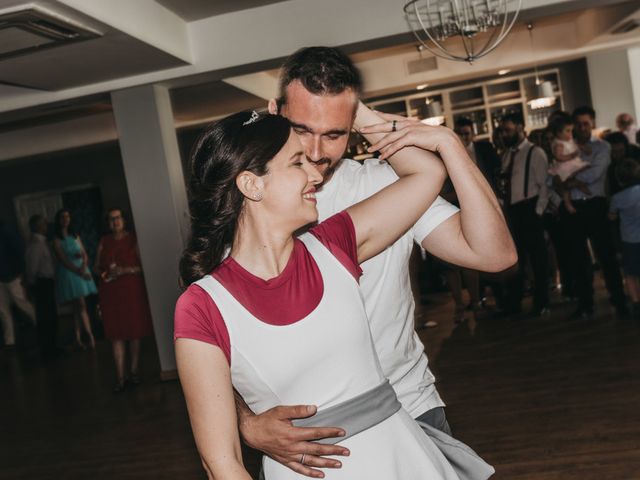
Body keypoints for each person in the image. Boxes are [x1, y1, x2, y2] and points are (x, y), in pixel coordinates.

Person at [230, 47, 514, 478]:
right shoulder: (243, 205)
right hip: (308, 440)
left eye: (335, 133)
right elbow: (213, 339)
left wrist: (448, 146)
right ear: (273, 112)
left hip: (409, 406)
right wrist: (246, 422)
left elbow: (494, 254)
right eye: (301, 129)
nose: (316, 151)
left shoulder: (383, 184)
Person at [175, 109, 498, 480]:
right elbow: (222, 464)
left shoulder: (335, 242)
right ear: (252, 185)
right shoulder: (201, 306)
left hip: (402, 457)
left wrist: (369, 117)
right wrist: (247, 424)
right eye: (297, 162)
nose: (316, 173)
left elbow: (427, 174)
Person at [561, 106, 628, 319]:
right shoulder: (565, 147)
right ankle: (585, 303)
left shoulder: (602, 147)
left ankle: (619, 300)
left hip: (595, 204)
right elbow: (555, 174)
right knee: (578, 258)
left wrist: (570, 176)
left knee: (606, 255)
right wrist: (568, 175)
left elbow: (595, 174)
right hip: (573, 208)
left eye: (586, 123)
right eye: (578, 124)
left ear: (592, 124)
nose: (582, 127)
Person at [94, 208, 154, 393]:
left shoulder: (133, 239)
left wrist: (124, 270)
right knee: (115, 334)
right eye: (111, 219)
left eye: (118, 218)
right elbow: (96, 267)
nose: (115, 222)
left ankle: (134, 372)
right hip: (110, 292)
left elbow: (144, 266)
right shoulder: (104, 241)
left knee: (134, 331)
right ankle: (121, 377)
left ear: (124, 220)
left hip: (131, 290)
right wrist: (106, 273)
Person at [498, 113, 550, 316]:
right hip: (513, 212)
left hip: (530, 210)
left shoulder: (535, 153)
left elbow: (544, 185)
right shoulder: (507, 154)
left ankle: (542, 303)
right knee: (515, 260)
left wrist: (537, 212)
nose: (504, 134)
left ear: (521, 127)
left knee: (538, 261)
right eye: (503, 130)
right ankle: (514, 304)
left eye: (508, 130)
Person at [52, 209, 97, 349]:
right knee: (80, 306)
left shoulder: (75, 234)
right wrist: (79, 271)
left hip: (81, 268)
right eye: (62, 217)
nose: (65, 219)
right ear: (58, 220)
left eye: (67, 216)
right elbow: (63, 259)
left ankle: (79, 338)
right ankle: (89, 336)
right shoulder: (56, 239)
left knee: (78, 308)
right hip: (69, 272)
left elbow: (84, 252)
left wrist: (84, 265)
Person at [25, 214, 60, 359]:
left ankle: (52, 347)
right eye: (44, 224)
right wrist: (33, 284)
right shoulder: (36, 245)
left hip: (46, 283)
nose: (47, 226)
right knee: (46, 318)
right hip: (42, 284)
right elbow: (32, 269)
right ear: (39, 226)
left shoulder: (42, 243)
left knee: (50, 316)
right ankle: (47, 350)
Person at [609, 158, 640, 320]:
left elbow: (612, 217)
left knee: (630, 274)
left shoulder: (617, 198)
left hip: (629, 240)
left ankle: (636, 303)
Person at [0, 219, 36, 348]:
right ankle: (9, 340)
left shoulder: (7, 230)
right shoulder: (7, 230)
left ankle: (40, 324)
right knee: (3, 310)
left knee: (22, 303)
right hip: (4, 276)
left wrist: (21, 272)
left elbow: (19, 251)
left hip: (12, 275)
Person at [547, 111, 590, 214]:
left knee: (585, 168)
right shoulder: (559, 144)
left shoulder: (569, 140)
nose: (570, 133)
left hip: (572, 164)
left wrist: (582, 148)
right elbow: (559, 157)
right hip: (565, 166)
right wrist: (572, 156)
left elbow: (576, 146)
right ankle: (567, 203)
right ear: (558, 133)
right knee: (565, 188)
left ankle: (581, 186)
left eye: (571, 131)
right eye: (567, 131)